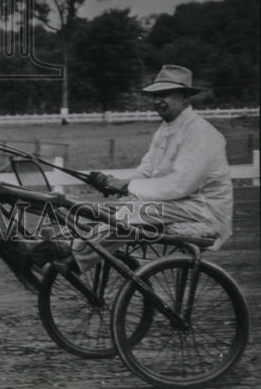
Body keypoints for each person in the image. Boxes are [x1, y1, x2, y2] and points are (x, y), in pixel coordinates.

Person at [21, 64, 234, 268]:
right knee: (108, 211)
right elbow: (147, 170)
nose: (158, 101)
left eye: (165, 94)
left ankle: (71, 251)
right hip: (181, 203)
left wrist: (127, 187)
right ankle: (72, 251)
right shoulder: (166, 130)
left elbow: (181, 184)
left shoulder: (201, 133)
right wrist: (114, 184)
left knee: (133, 212)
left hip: (203, 210)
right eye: (155, 96)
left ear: (186, 97)